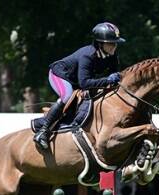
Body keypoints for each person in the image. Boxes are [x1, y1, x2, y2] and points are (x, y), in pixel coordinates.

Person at [33, 22, 125, 150]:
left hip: (77, 79)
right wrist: (108, 80)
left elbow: (114, 76)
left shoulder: (112, 56)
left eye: (115, 43)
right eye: (111, 43)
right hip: (60, 75)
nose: (114, 46)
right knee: (67, 96)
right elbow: (85, 83)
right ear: (100, 43)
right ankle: (43, 131)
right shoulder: (87, 55)